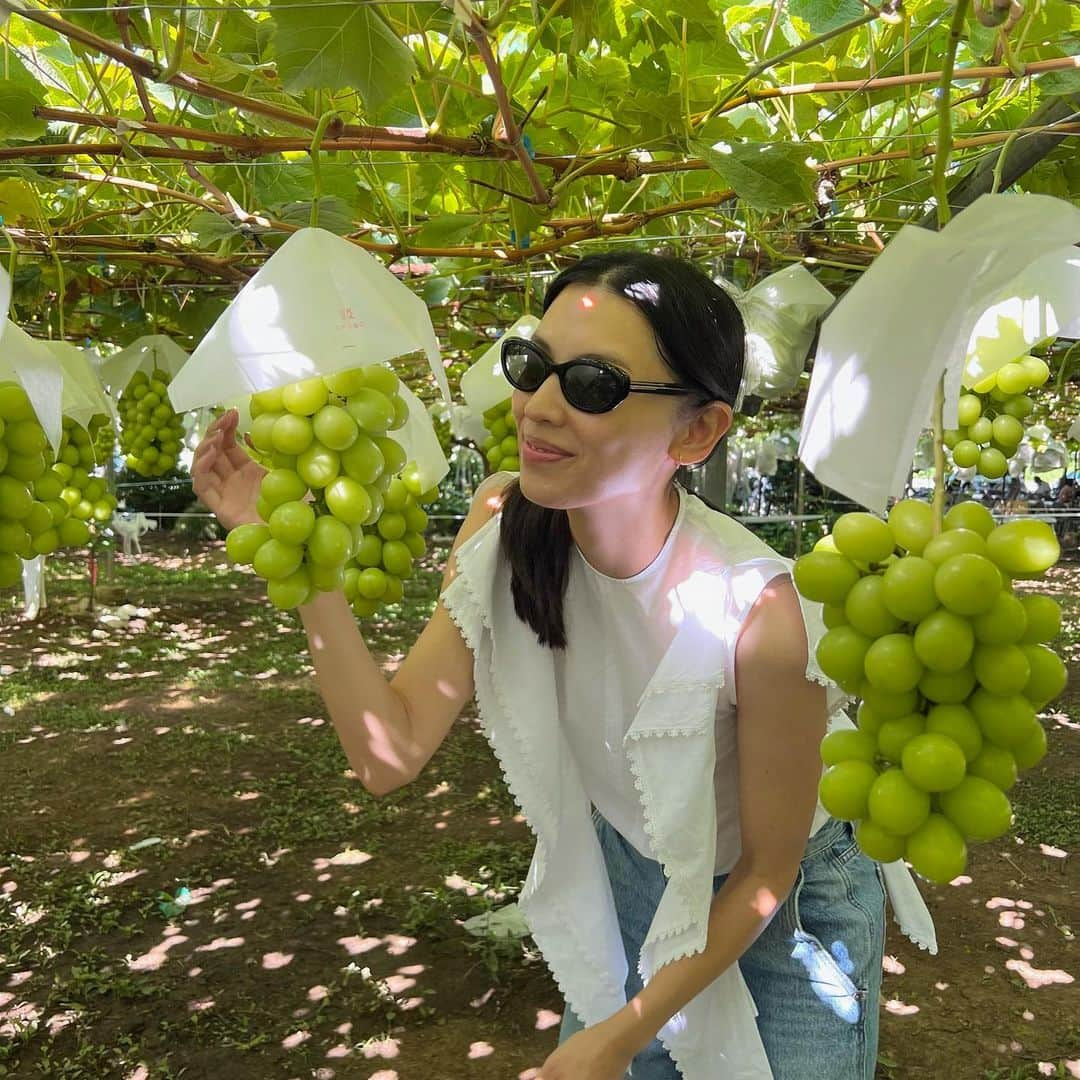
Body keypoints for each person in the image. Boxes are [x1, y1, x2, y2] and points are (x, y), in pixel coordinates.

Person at [192, 253, 889, 1080]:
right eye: (532, 366)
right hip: (640, 861)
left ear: (697, 430)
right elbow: (391, 752)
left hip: (784, 906)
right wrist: (297, 556)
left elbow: (768, 872)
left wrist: (619, 1035)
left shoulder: (762, 614)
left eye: (593, 383)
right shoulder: (502, 523)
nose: (539, 407)